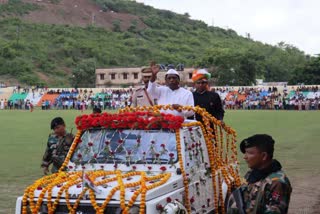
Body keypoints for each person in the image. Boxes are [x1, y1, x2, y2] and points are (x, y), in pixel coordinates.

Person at [227, 134, 292, 214]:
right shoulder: (252, 174)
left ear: (264, 156)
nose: (245, 157)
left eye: (250, 153)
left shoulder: (277, 182)